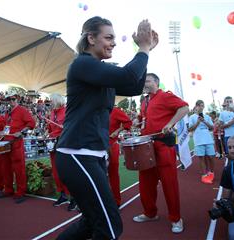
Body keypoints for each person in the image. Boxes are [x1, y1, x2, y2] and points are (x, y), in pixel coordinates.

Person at [55, 16, 158, 240]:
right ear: (91, 38)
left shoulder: (98, 70)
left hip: (91, 155)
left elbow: (133, 85)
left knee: (92, 223)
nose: (113, 42)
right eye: (108, 37)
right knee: (110, 226)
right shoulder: (83, 64)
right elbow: (129, 75)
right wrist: (142, 48)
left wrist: (146, 51)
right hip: (77, 154)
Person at [132, 73, 188, 234]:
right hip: (146, 146)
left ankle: (176, 218)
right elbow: (142, 117)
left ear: (156, 83)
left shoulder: (165, 96)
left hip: (163, 146)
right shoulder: (144, 100)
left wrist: (171, 123)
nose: (144, 83)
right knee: (145, 183)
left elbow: (184, 108)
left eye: (147, 81)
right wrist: (138, 120)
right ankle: (150, 213)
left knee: (169, 184)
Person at [0, 92, 36, 204]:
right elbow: (8, 127)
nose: (11, 101)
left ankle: (20, 192)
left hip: (16, 143)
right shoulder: (7, 113)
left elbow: (31, 123)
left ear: (17, 99)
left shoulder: (23, 110)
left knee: (19, 168)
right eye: (9, 99)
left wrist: (21, 132)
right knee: (6, 167)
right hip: (6, 143)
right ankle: (8, 189)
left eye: (13, 99)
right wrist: (2, 132)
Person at [45, 93, 75, 211]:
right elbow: (50, 128)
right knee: (56, 171)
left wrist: (66, 128)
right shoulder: (52, 112)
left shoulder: (67, 110)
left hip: (65, 144)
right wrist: (47, 134)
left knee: (67, 172)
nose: (50, 103)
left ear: (57, 101)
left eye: (52, 101)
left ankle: (73, 197)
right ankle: (62, 194)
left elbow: (72, 125)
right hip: (54, 144)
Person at [108, 106, 132, 206]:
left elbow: (128, 122)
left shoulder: (115, 111)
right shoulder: (95, 109)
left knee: (113, 175)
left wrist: (118, 130)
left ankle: (116, 200)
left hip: (111, 146)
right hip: (96, 147)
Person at [188, 100, 215, 184]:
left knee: (211, 157)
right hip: (199, 140)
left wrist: (204, 121)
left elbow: (212, 128)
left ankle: (211, 173)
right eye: (199, 105)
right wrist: (198, 122)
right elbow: (190, 129)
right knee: (201, 158)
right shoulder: (192, 117)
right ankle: (204, 175)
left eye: (202, 105)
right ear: (196, 106)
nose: (201, 107)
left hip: (208, 140)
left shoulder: (207, 117)